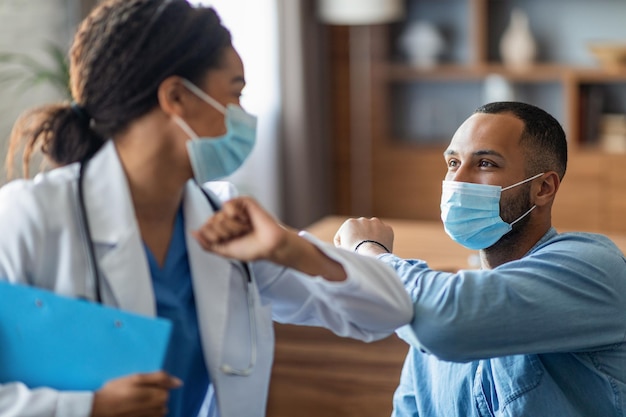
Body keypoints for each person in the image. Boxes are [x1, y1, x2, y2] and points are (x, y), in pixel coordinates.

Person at [0, 1, 414, 416]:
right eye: (235, 93)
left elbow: (388, 311)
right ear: (177, 97)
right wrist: (88, 408)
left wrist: (293, 250)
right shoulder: (30, 218)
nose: (243, 116)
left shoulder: (223, 222)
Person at [334, 101, 626, 417]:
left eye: (485, 163)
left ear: (542, 188)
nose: (457, 181)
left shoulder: (594, 267)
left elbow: (446, 322)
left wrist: (368, 251)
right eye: (452, 162)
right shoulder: (431, 300)